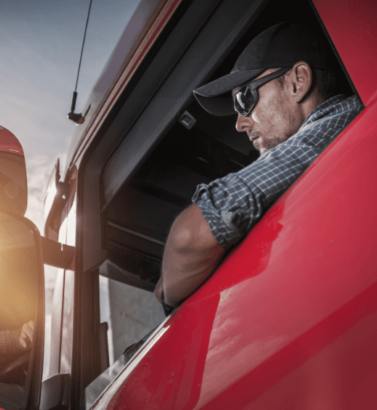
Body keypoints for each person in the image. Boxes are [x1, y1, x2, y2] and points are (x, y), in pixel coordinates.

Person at [154, 22, 363, 312]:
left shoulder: (334, 122)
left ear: (297, 81)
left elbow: (191, 235)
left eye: (244, 99)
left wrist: (168, 294)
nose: (240, 123)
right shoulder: (332, 137)